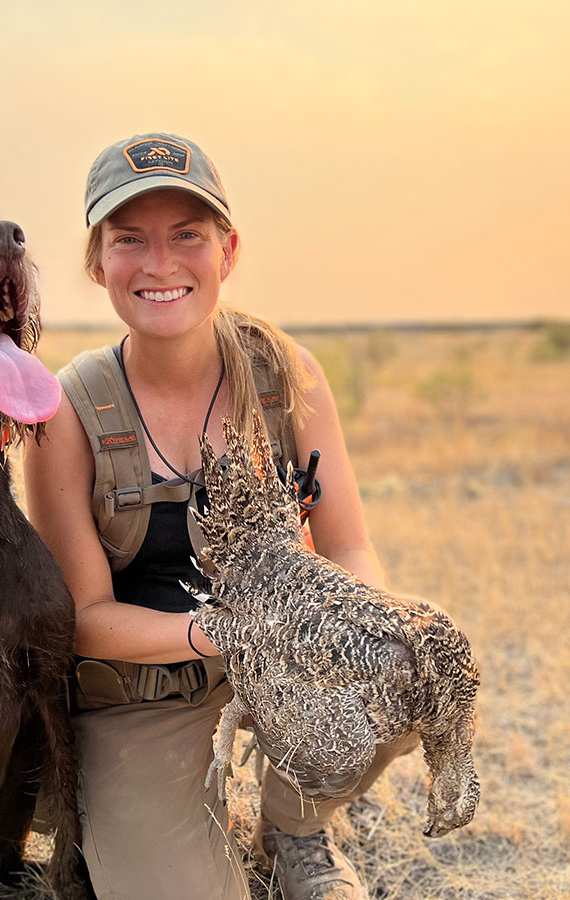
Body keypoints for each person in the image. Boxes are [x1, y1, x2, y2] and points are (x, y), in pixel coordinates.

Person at [24, 133, 418, 900]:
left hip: (275, 665)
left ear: (228, 251)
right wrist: (223, 631)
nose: (160, 263)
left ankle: (295, 827)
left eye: (188, 236)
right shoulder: (69, 410)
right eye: (129, 239)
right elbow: (81, 619)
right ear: (96, 263)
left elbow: (349, 545)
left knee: (404, 659)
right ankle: (129, 816)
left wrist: (369, 624)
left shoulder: (286, 375)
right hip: (140, 697)